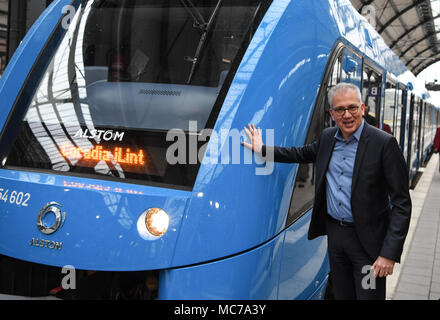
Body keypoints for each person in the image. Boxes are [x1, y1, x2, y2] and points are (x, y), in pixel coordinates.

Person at [242, 82, 411, 300]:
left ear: (362, 108)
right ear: (332, 113)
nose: (347, 115)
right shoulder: (328, 138)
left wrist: (388, 254)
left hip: (368, 246)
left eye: (352, 108)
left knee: (368, 296)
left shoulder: (384, 144)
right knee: (342, 295)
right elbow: (299, 154)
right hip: (337, 239)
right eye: (340, 109)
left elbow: (402, 204)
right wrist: (262, 149)